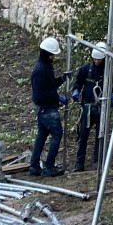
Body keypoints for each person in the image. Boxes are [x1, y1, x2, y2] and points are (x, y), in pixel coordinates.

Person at [70, 43, 113, 173]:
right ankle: (79, 163)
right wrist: (76, 91)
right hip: (87, 107)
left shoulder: (111, 70)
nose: (97, 61)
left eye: (99, 59)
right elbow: (78, 82)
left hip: (101, 107)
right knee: (83, 135)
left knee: (100, 135)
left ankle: (97, 161)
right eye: (95, 59)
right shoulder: (86, 69)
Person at [29, 37, 68, 177]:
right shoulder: (40, 70)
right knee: (57, 133)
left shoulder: (46, 66)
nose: (54, 57)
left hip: (45, 108)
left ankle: (34, 166)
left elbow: (49, 86)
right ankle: (49, 166)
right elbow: (40, 94)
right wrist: (58, 97)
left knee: (42, 135)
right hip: (46, 109)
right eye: (53, 54)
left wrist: (62, 79)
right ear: (47, 53)